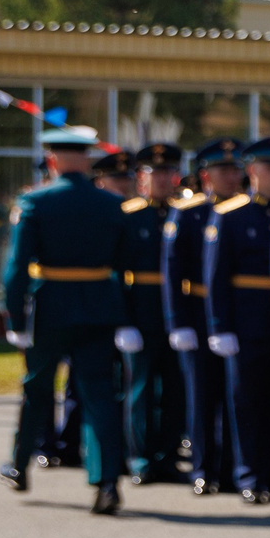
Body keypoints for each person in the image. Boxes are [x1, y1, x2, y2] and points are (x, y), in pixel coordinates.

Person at [0, 125, 141, 514]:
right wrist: (124, 314)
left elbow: (16, 269)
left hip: (52, 309)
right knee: (99, 396)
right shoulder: (111, 205)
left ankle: (20, 464)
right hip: (99, 307)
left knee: (37, 390)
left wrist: (14, 317)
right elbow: (129, 264)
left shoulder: (36, 202)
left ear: (52, 160)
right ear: (88, 160)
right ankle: (107, 482)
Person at [206, 137, 270, 505]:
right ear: (252, 172)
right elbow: (216, 276)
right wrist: (220, 326)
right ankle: (249, 475)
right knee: (246, 403)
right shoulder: (231, 215)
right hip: (246, 323)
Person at [166, 141, 243, 496]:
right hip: (197, 312)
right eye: (223, 171)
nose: (232, 176)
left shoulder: (245, 211)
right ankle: (202, 466)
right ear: (205, 176)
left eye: (235, 169)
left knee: (235, 396)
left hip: (236, 313)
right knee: (201, 395)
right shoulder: (189, 212)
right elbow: (172, 272)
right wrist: (178, 321)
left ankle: (230, 467)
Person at [120, 145, 185, 483]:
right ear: (141, 179)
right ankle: (140, 457)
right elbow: (118, 272)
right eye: (154, 174)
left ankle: (168, 455)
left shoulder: (182, 213)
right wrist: (124, 321)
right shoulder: (130, 215)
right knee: (141, 389)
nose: (162, 180)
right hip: (142, 311)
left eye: (167, 173)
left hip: (175, 313)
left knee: (175, 388)